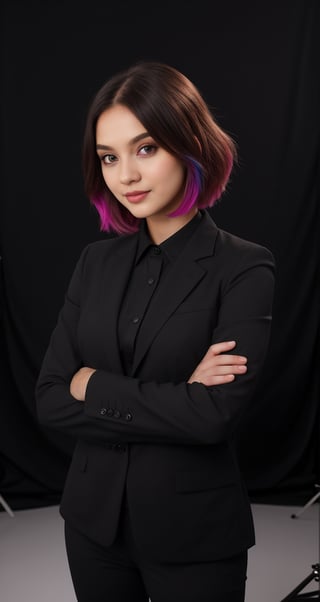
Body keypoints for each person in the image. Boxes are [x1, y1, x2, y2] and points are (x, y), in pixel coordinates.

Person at [35, 61, 275, 602]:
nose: (126, 176)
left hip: (195, 533)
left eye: (146, 149)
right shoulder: (94, 263)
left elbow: (215, 415)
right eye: (109, 158)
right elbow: (49, 398)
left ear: (189, 144)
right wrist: (179, 396)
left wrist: (92, 385)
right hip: (93, 527)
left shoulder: (244, 267)